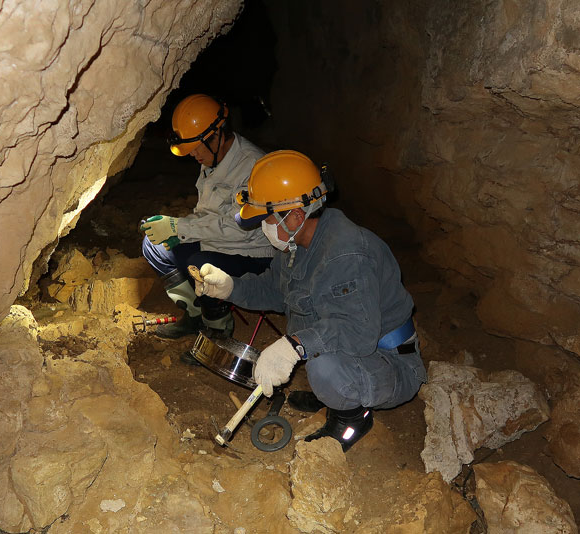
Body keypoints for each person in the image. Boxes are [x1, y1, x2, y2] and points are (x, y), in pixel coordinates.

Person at [193, 150, 427, 451]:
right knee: (316, 354)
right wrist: (229, 288)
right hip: (356, 349)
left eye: (266, 217)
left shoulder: (346, 254)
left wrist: (294, 346)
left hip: (389, 361)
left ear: (294, 215)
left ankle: (351, 419)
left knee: (325, 370)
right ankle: (329, 395)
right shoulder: (299, 243)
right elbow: (274, 291)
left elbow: (358, 334)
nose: (263, 226)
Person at [140, 94, 273, 344]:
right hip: (218, 242)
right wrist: (174, 229)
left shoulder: (253, 167)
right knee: (154, 245)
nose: (192, 156)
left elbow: (239, 228)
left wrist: (178, 227)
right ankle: (195, 313)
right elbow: (208, 216)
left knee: (200, 264)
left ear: (216, 135)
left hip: (252, 252)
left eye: (194, 148)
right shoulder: (213, 156)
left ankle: (217, 327)